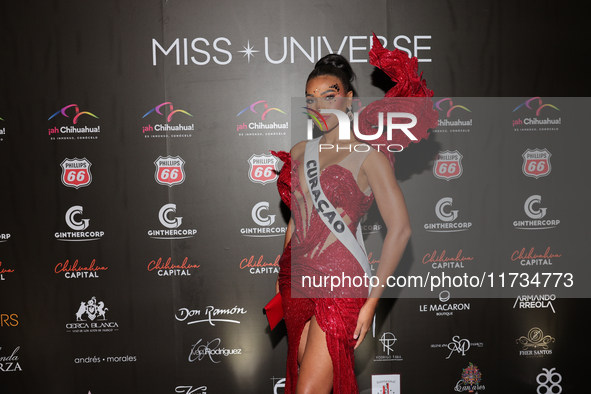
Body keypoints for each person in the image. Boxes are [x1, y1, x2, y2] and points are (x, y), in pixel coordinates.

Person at [272, 35, 437, 394]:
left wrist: (372, 302)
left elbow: (401, 230)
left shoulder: (369, 155)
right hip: (297, 280)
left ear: (349, 100)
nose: (320, 106)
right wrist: (281, 268)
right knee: (304, 381)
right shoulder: (300, 151)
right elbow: (297, 217)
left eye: (329, 96)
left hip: (342, 283)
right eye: (311, 100)